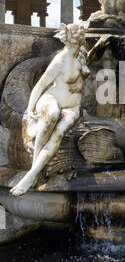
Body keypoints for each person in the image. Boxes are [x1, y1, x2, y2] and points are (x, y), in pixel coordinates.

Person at [10, 24, 110, 196]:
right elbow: (40, 85)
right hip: (51, 98)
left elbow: (89, 59)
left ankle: (33, 173)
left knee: (59, 133)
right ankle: (33, 172)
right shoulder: (61, 60)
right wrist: (29, 108)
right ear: (70, 40)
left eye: (81, 36)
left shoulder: (81, 54)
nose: (81, 37)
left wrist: (99, 47)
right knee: (52, 114)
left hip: (72, 107)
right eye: (79, 35)